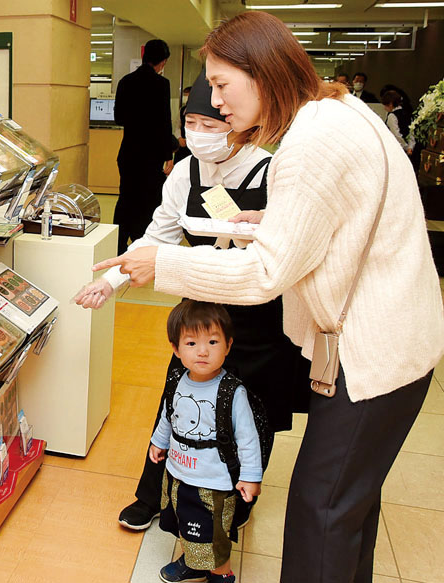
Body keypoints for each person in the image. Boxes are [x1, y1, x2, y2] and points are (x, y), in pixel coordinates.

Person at [92, 12, 444, 583]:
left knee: (319, 512)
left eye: (224, 87)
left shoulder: (310, 141)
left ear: (263, 73)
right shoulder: (339, 110)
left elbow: (265, 274)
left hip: (372, 354)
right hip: (399, 341)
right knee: (346, 507)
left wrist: (165, 263)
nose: (218, 104)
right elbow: (337, 218)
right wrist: (275, 220)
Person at [75, 70, 308, 532]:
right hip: (200, 312)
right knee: (178, 402)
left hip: (258, 316)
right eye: (192, 123)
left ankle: (239, 498)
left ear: (241, 125)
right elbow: (156, 236)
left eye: (212, 124)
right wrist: (112, 283)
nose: (199, 135)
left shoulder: (272, 169)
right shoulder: (185, 171)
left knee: (251, 412)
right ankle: (153, 494)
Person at [151, 299, 263, 583]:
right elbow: (169, 414)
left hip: (213, 483)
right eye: (191, 344)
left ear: (228, 345)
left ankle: (220, 575)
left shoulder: (231, 392)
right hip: (178, 475)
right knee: (187, 525)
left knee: (214, 536)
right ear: (176, 348)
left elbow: (248, 439)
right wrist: (159, 442)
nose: (202, 351)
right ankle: (194, 562)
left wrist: (250, 477)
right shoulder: (176, 381)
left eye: (212, 342)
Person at [113, 39, 174, 254]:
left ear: (143, 56)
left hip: (128, 153)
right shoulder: (161, 85)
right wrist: (169, 154)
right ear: (163, 61)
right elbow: (164, 123)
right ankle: (141, 243)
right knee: (149, 200)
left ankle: (119, 244)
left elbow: (118, 118)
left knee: (127, 196)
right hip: (151, 155)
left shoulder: (125, 81)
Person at [382, 90, 415, 155]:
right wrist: (410, 147)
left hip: (396, 149)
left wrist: (405, 147)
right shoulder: (408, 114)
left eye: (386, 105)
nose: (384, 108)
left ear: (391, 104)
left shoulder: (392, 116)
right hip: (408, 148)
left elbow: (396, 134)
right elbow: (412, 132)